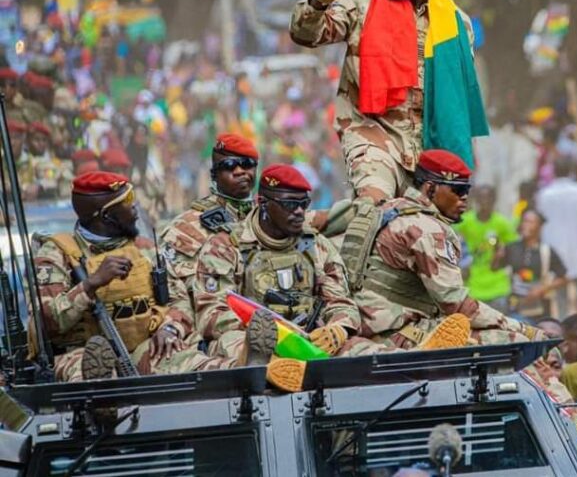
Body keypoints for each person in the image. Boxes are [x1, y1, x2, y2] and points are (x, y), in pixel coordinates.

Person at [289, 0, 487, 203]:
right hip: (372, 137)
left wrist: (463, 153)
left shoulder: (457, 25)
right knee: (373, 205)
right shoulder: (361, 6)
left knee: (426, 233)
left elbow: (459, 99)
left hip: (428, 149)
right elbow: (305, 35)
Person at [34, 172, 255, 381]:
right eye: (127, 202)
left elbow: (179, 301)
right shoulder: (57, 255)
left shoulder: (145, 250)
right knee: (88, 376)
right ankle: (103, 402)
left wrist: (169, 329)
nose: (135, 208)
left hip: (145, 347)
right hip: (82, 352)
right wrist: (90, 285)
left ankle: (250, 371)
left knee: (194, 365)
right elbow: (47, 321)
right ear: (106, 215)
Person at [343, 150, 538, 351]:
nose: (464, 199)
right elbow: (455, 304)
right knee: (518, 343)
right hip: (395, 334)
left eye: (467, 191)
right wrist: (524, 329)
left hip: (362, 324)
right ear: (430, 188)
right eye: (457, 190)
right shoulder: (426, 228)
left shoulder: (385, 210)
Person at [194, 164, 363, 387]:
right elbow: (210, 312)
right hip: (249, 338)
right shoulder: (225, 246)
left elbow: (341, 302)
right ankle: (269, 369)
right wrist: (270, 336)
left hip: (308, 340)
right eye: (290, 204)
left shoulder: (316, 245)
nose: (300, 212)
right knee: (232, 345)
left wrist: (338, 329)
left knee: (362, 352)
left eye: (304, 204)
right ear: (262, 203)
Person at [159, 133, 260, 332]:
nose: (240, 171)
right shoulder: (185, 227)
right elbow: (172, 292)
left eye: (247, 164)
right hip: (204, 330)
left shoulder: (268, 220)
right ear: (214, 174)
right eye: (230, 165)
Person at [535, 156, 577, 315]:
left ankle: (564, 334)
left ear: (554, 171)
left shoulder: (544, 194)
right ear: (571, 170)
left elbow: (539, 218)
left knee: (561, 298)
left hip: (556, 253)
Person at [454, 184, 517, 310]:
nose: (485, 202)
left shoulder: (502, 223)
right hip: (472, 284)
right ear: (476, 200)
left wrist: (502, 254)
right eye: (481, 198)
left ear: (494, 200)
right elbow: (450, 240)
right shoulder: (465, 221)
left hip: (498, 284)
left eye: (488, 198)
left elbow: (514, 247)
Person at [499, 208, 568, 320]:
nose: (525, 225)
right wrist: (497, 256)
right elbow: (495, 268)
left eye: (530, 222)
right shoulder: (511, 247)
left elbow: (564, 278)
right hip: (515, 306)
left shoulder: (546, 251)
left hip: (540, 308)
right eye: (524, 221)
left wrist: (543, 289)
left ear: (540, 227)